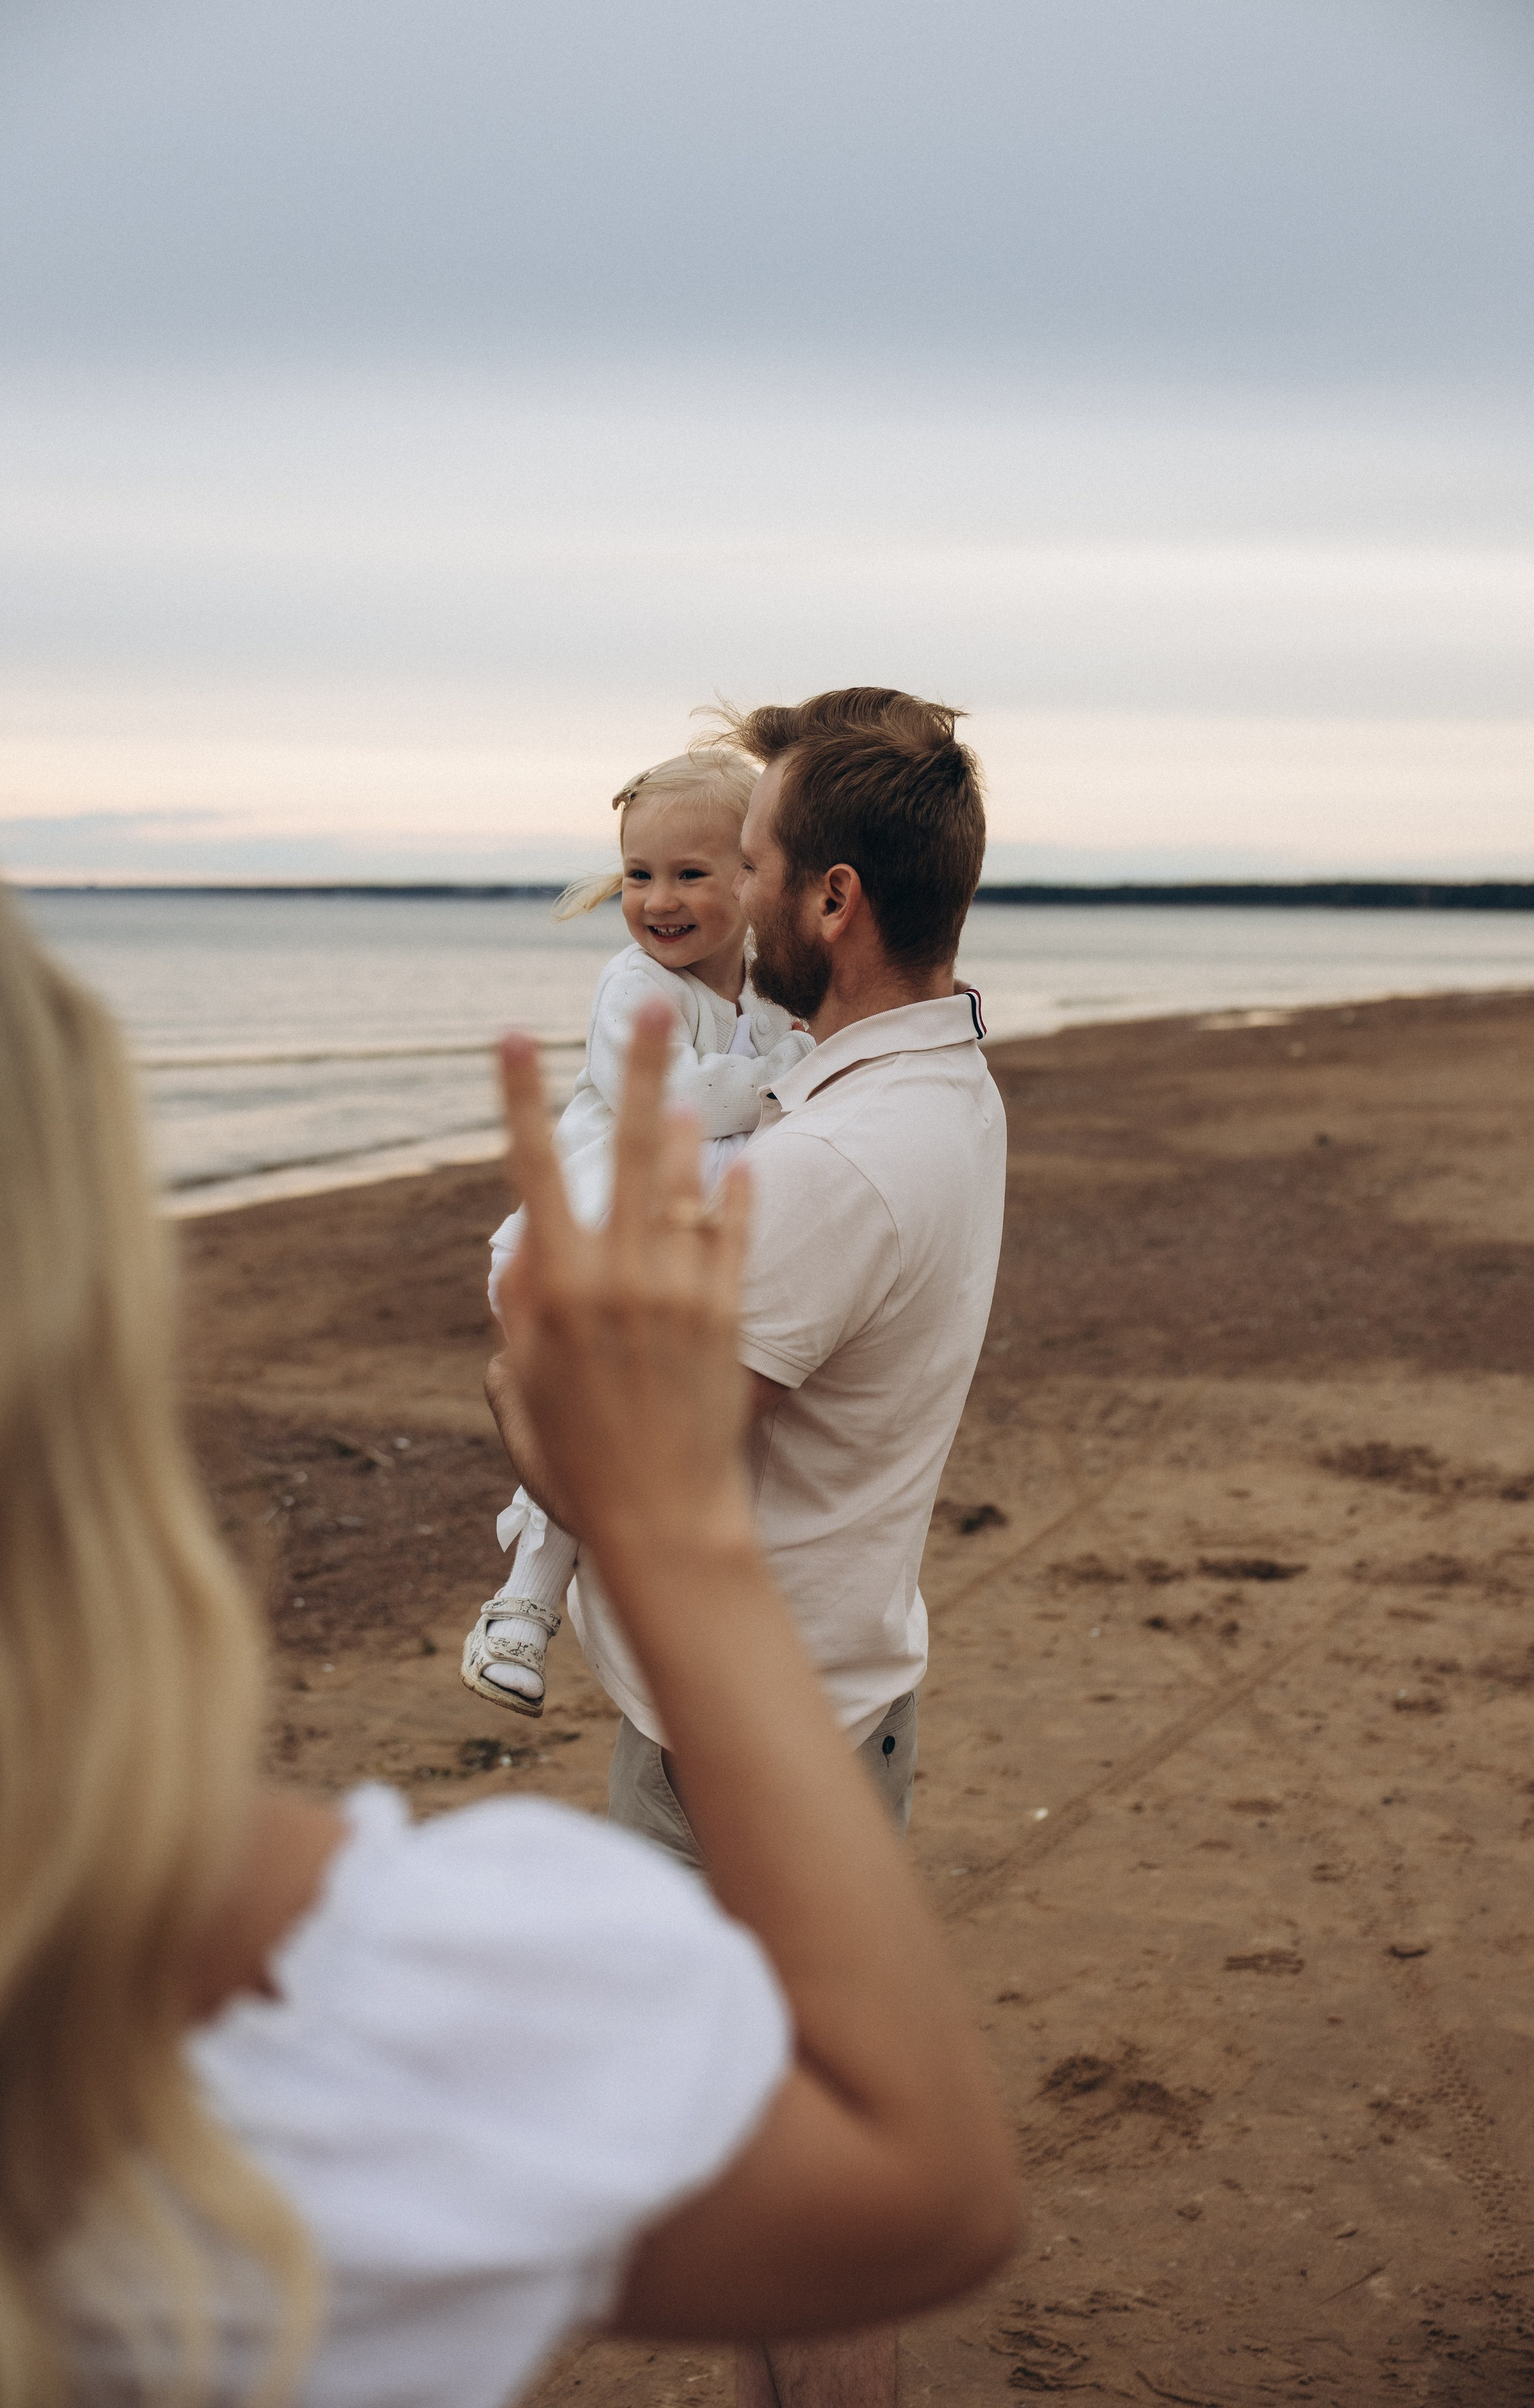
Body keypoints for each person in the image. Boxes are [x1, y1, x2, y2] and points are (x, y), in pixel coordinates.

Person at [0, 890, 1019, 2407]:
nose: (696, 893)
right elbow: (919, 2191)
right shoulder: (302, 1991)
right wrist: (663, 1530)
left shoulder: (865, 1136)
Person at [485, 686, 1007, 2408]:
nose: (723, 895)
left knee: (771, 2195)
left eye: (757, 862)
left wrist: (517, 1356)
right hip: (841, 1678)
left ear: (830, 901)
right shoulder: (939, 1085)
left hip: (745, 1744)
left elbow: (627, 1479)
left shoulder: (829, 1170)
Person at [461, 747, 813, 1717]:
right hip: (579, 1240)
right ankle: (522, 1606)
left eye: (690, 873)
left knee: (620, 1422)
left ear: (754, 878)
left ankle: (535, 1600)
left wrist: (787, 1049)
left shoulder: (759, 998)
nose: (659, 899)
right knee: (594, 1412)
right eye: (639, 875)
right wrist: (785, 1069)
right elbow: (676, 1105)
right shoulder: (635, 990)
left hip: (657, 1251)